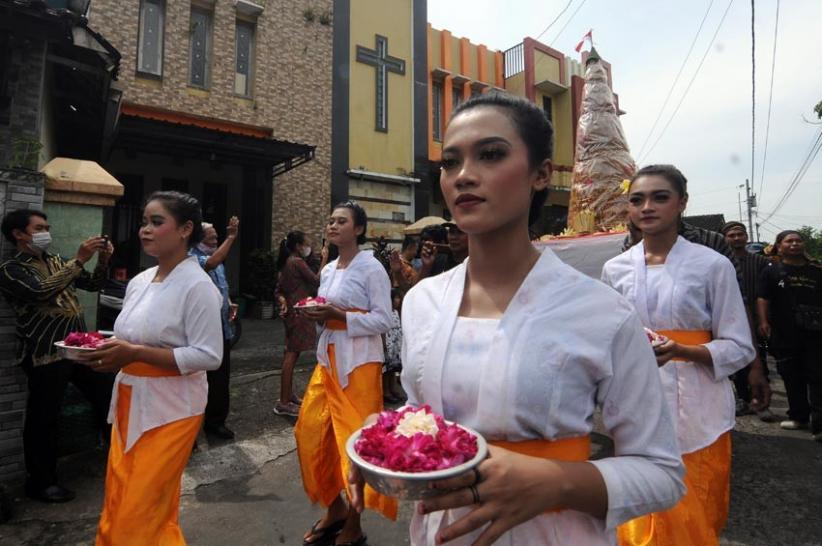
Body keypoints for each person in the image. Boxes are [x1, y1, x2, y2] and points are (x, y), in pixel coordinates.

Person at [352, 93, 685, 546]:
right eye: (450, 162)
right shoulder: (422, 301)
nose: (464, 175)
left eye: (490, 154)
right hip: (442, 533)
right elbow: (423, 413)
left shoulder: (601, 312)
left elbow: (662, 472)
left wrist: (555, 482)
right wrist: (382, 447)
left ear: (541, 174)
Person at [601, 164, 756, 545]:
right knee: (639, 509)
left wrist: (684, 350)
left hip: (700, 411)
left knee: (696, 511)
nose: (647, 207)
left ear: (682, 203)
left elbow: (739, 345)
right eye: (637, 199)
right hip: (637, 402)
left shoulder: (712, 265)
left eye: (660, 197)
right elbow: (606, 337)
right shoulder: (614, 269)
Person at [79, 191, 223, 545]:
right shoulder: (139, 282)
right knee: (120, 494)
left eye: (157, 222)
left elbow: (209, 355)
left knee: (140, 506)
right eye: (144, 221)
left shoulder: (199, 286)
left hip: (173, 409)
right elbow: (131, 337)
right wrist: (108, 352)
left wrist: (134, 353)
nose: (145, 229)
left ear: (185, 229)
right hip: (130, 399)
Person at [295, 201, 396, 546]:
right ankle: (334, 507)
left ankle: (353, 521)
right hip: (328, 360)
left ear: (358, 230)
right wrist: (319, 315)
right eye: (331, 220)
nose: (333, 225)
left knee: (355, 447)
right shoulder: (328, 270)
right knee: (309, 434)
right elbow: (327, 312)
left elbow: (384, 319)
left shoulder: (372, 269)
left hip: (360, 365)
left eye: (342, 221)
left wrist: (340, 316)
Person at [0, 209, 113, 503]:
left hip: (79, 349)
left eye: (47, 226)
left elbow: (91, 285)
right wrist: (79, 259)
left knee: (109, 397)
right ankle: (41, 482)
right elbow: (40, 291)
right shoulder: (11, 269)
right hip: (44, 354)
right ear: (19, 234)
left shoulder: (55, 260)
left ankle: (119, 459)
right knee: (44, 417)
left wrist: (102, 259)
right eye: (39, 227)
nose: (45, 232)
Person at [757, 230, 822, 440]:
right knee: (791, 375)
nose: (795, 244)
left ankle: (819, 425)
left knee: (817, 375)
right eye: (789, 241)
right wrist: (764, 321)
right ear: (779, 245)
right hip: (785, 332)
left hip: (815, 332)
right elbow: (763, 298)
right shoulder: (772, 271)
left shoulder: (816, 270)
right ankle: (799, 416)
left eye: (798, 240)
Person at [190, 217, 240, 440]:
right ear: (200, 237)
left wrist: (228, 302)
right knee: (197, 378)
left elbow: (220, 285)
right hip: (201, 328)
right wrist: (231, 238)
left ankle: (215, 422)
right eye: (213, 234)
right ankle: (190, 427)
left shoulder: (217, 257)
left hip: (222, 327)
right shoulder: (192, 257)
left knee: (220, 378)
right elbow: (209, 265)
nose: (216, 236)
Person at [721, 221, 775, 420]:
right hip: (729, 317)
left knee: (759, 357)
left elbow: (769, 290)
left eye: (740, 234)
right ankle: (743, 399)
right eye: (731, 235)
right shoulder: (719, 262)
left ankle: (761, 401)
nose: (736, 238)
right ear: (724, 238)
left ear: (746, 237)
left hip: (754, 316)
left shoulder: (760, 262)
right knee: (735, 360)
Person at [274, 231, 325, 417]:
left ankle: (287, 395)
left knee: (289, 354)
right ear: (297, 246)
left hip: (291, 313)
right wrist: (325, 259)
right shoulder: (296, 262)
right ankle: (284, 402)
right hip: (298, 313)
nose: (308, 246)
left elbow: (278, 289)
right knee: (291, 355)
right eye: (306, 243)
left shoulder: (287, 262)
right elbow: (317, 280)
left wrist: (282, 301)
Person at [382, 288, 404, 403]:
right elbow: (383, 329)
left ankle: (393, 388)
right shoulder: (385, 312)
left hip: (396, 343)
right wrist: (384, 343)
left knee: (394, 368)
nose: (398, 301)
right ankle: (386, 391)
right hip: (388, 343)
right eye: (396, 298)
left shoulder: (396, 312)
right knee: (387, 368)